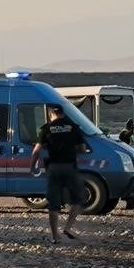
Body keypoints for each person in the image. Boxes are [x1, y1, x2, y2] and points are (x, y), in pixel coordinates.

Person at [30, 104, 87, 244]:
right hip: (70, 167)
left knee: (53, 204)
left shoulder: (46, 129)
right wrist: (71, 151)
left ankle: (55, 236)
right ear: (63, 113)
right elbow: (83, 149)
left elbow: (36, 151)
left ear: (51, 115)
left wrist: (33, 166)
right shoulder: (74, 127)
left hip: (53, 168)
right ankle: (67, 228)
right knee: (79, 198)